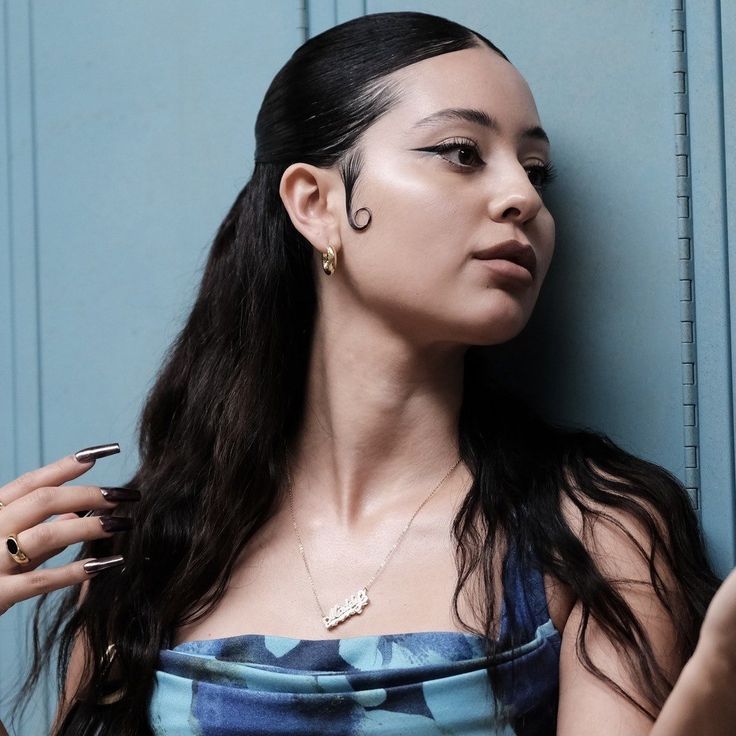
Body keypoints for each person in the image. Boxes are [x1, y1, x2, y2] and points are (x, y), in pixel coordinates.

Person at [0, 10, 734, 736]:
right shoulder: (154, 551)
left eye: (536, 170)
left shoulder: (595, 535)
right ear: (316, 204)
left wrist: (712, 689)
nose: (524, 197)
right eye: (461, 151)